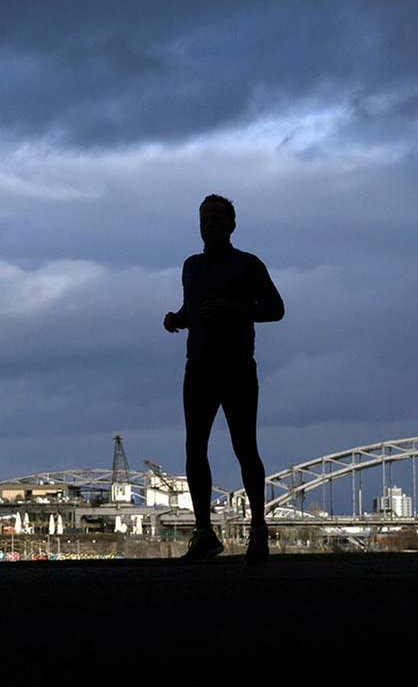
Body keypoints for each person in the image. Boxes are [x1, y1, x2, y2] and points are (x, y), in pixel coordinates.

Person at [163, 194, 284, 562]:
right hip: (198, 367)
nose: (210, 223)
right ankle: (204, 533)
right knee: (194, 448)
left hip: (237, 368)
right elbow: (193, 308)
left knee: (245, 446)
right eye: (204, 217)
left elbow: (276, 309)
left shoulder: (248, 264)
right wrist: (177, 319)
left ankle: (258, 531)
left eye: (217, 217)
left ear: (232, 224)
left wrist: (235, 309)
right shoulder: (191, 267)